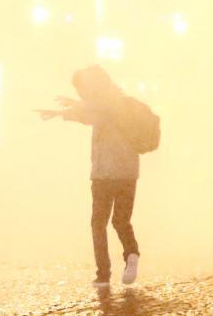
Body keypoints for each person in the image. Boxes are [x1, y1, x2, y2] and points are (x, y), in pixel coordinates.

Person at [37, 66, 154, 288]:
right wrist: (72, 106)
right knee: (121, 220)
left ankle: (103, 275)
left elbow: (90, 113)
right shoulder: (117, 101)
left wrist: (63, 111)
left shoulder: (101, 103)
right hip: (128, 173)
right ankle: (131, 254)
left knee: (98, 223)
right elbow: (90, 113)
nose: (81, 92)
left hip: (104, 174)